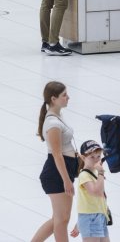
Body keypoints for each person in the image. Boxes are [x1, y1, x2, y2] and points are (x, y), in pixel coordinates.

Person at [32, 81, 78, 242]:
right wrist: (66, 181)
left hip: (63, 171)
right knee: (61, 219)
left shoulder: (58, 115)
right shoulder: (52, 123)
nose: (68, 97)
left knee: (60, 218)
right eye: (64, 95)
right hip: (57, 173)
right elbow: (57, 155)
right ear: (53, 98)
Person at [69, 140, 110, 242]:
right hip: (90, 219)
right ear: (83, 157)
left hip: (99, 216)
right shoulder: (84, 175)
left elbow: (91, 202)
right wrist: (101, 172)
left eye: (98, 156)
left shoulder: (95, 173)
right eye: (92, 157)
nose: (96, 160)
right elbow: (95, 192)